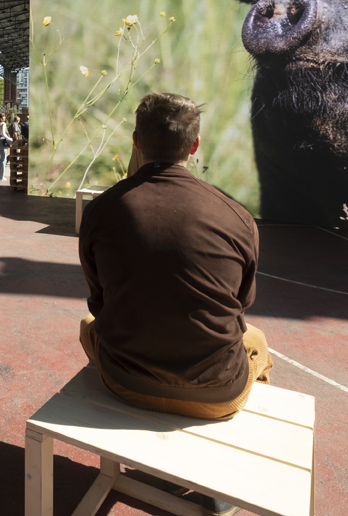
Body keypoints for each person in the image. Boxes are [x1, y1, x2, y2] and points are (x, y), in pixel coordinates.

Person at [78, 93, 268, 516]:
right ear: (195, 146)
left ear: (136, 142)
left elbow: (99, 301)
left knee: (85, 323)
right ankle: (221, 470)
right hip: (217, 391)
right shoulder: (235, 216)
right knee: (257, 340)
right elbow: (240, 306)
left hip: (126, 380)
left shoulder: (102, 210)